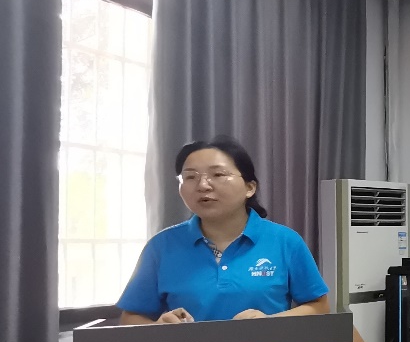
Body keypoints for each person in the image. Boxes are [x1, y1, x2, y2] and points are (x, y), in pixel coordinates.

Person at [117, 136, 330, 324]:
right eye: (190, 177)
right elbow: (130, 317)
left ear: (250, 188)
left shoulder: (285, 241)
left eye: (218, 174)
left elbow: (319, 306)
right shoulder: (161, 247)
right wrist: (158, 327)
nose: (203, 185)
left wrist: (269, 323)